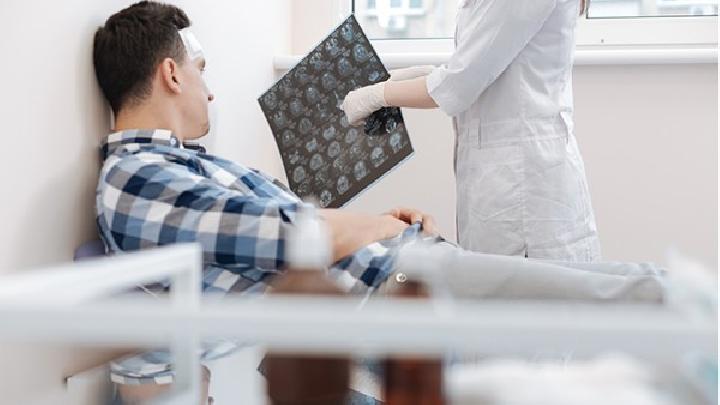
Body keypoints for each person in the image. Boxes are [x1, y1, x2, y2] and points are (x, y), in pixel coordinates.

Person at [92, 2, 661, 403]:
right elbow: (288, 237)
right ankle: (689, 303)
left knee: (592, 299)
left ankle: (690, 302)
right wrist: (374, 228)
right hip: (389, 291)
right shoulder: (138, 177)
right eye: (201, 73)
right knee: (595, 305)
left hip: (406, 267)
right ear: (170, 73)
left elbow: (289, 223)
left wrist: (378, 223)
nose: (210, 90)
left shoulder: (185, 164)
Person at [341, 0, 600, 263]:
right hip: (503, 177)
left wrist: (378, 95)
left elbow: (460, 85)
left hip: (527, 188)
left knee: (521, 293)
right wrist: (425, 77)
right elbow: (487, 65)